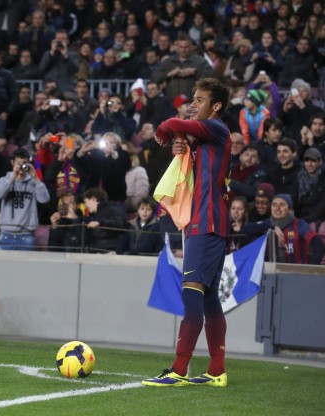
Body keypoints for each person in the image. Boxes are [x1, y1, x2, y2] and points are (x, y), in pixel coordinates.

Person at [143, 78, 231, 387]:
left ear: (215, 106)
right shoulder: (205, 139)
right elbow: (185, 145)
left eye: (199, 100)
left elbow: (170, 122)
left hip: (206, 223)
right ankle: (217, 371)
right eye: (192, 99)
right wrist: (180, 144)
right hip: (210, 222)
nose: (193, 104)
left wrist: (169, 130)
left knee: (191, 292)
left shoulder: (217, 128)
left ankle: (179, 370)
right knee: (208, 300)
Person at [242, 194, 325, 265]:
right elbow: (247, 229)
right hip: (272, 274)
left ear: (289, 210)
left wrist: (309, 270)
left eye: (282, 204)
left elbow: (319, 245)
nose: (277, 208)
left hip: (297, 276)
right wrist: (273, 227)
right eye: (274, 204)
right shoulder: (268, 223)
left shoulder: (299, 224)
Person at [0, 149, 51, 251]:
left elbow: (44, 199)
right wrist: (12, 178)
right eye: (19, 163)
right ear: (12, 163)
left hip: (27, 235)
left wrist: (35, 178)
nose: (21, 167)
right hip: (6, 234)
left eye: (24, 163)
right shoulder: (4, 180)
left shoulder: (33, 182)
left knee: (26, 267)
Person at [82, 187, 125, 254]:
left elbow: (119, 224)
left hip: (110, 253)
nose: (85, 205)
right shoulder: (97, 213)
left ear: (93, 199)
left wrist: (100, 223)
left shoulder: (111, 209)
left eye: (86, 202)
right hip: (99, 252)